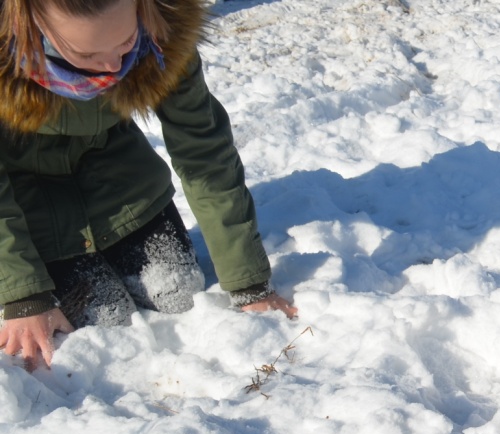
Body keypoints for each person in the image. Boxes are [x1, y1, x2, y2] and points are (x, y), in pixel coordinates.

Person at [0, 0, 295, 372]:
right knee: (108, 319)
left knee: (179, 290)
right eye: (86, 53)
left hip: (122, 183)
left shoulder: (161, 33)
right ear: (29, 22)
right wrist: (23, 295)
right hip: (27, 208)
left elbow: (204, 152)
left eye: (124, 43)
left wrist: (249, 282)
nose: (112, 66)